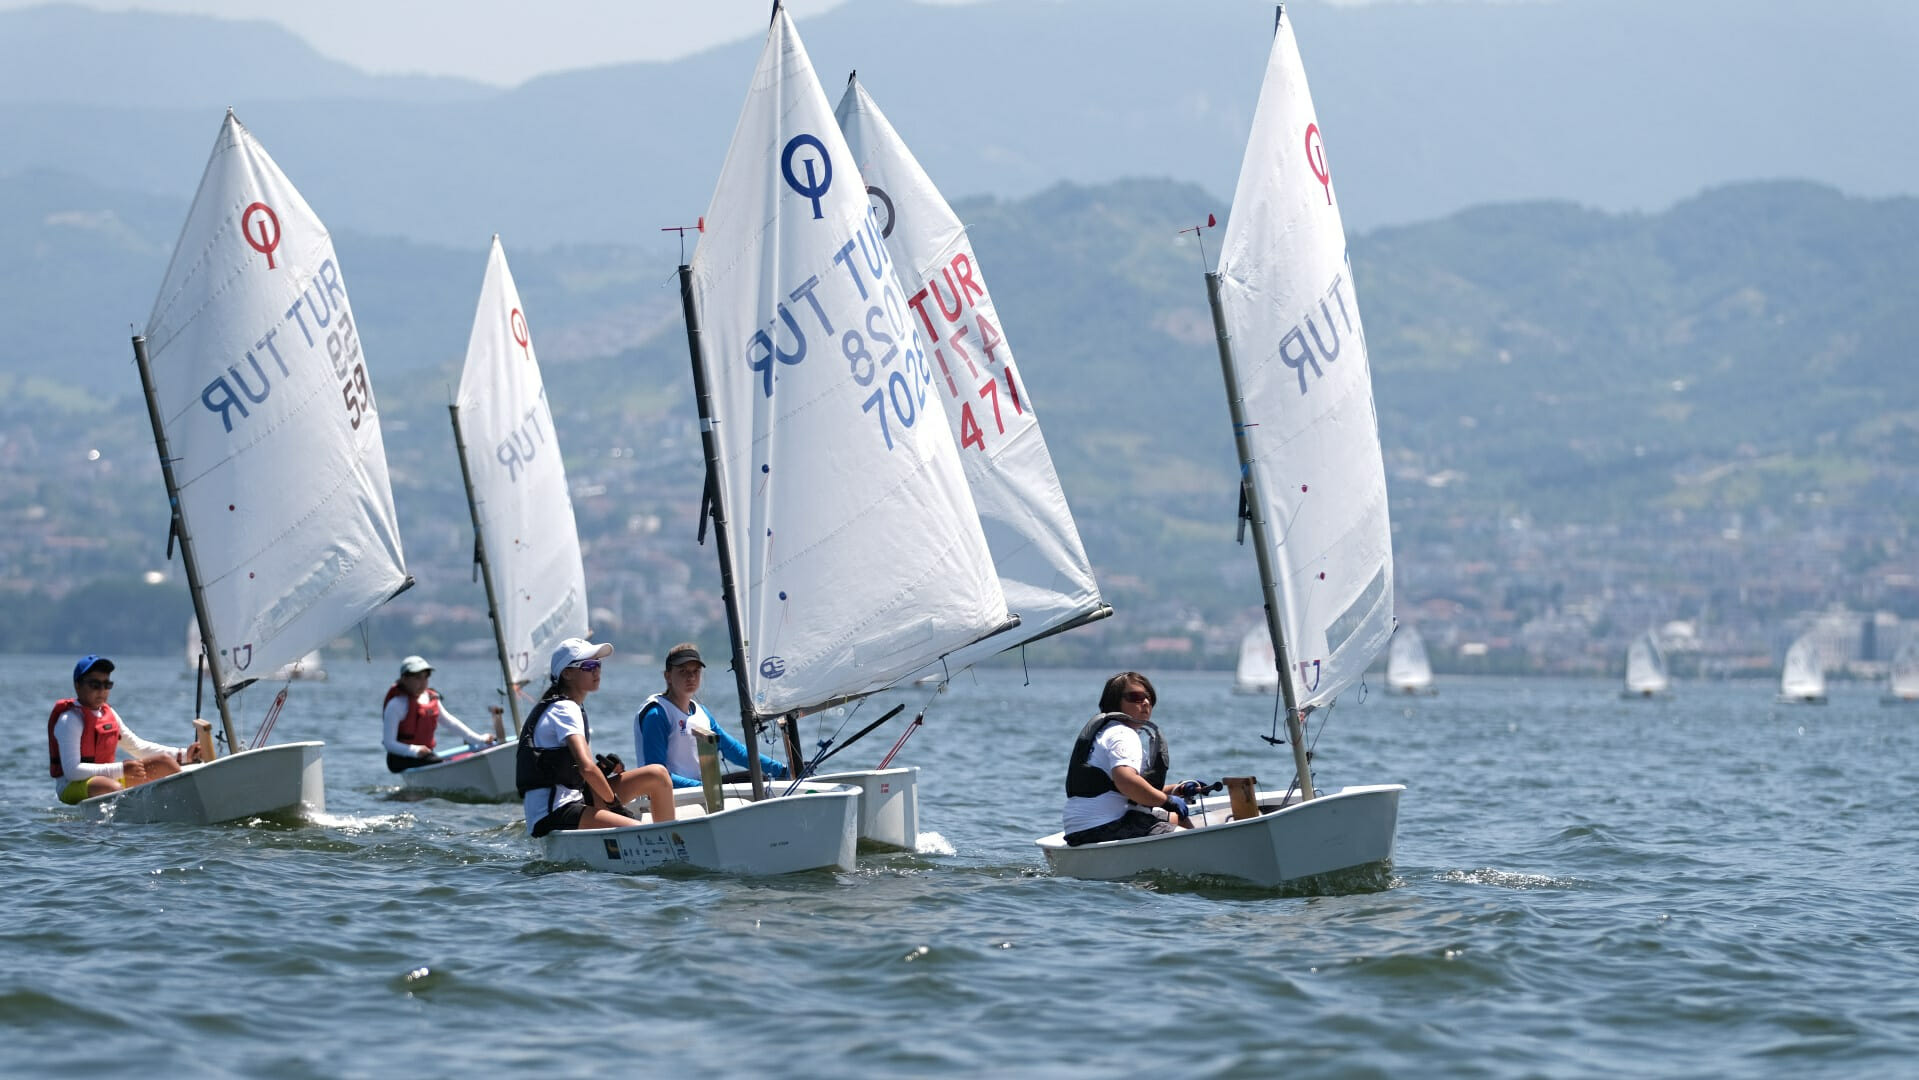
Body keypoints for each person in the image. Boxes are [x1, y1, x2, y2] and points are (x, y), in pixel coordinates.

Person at [519, 638, 676, 838]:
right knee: (642, 832)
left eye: (598, 665)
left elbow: (576, 769)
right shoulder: (565, 709)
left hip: (574, 798)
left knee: (658, 775)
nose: (597, 671)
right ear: (567, 674)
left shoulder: (569, 706)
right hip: (553, 813)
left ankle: (671, 838)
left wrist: (604, 770)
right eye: (589, 665)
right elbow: (586, 768)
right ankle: (666, 841)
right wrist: (615, 805)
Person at [1059, 671, 1204, 846]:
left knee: (1176, 817)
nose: (1145, 702)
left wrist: (1174, 790)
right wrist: (1167, 801)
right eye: (1136, 697)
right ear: (1115, 701)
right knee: (1191, 838)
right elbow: (1126, 782)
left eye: (1149, 697)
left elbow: (1121, 788)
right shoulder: (1123, 734)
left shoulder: (1106, 732)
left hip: (1079, 830)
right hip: (1105, 827)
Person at [48, 655, 201, 805]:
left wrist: (184, 755)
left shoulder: (108, 714)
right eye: (95, 685)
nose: (102, 690)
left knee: (165, 762)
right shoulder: (70, 720)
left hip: (108, 778)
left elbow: (137, 746)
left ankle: (188, 804)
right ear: (78, 685)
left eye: (107, 685)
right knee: (109, 787)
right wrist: (121, 769)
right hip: (71, 786)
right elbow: (72, 771)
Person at [634, 643, 790, 788]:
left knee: (757, 778)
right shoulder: (657, 714)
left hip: (700, 791)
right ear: (668, 676)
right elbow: (656, 774)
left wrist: (783, 770)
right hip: (669, 796)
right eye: (683, 671)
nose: (691, 677)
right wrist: (703, 789)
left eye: (695, 671)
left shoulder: (702, 713)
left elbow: (735, 752)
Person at [381, 655, 497, 773]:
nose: (422, 682)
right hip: (400, 758)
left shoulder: (431, 698)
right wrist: (415, 751)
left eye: (425, 677)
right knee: (437, 762)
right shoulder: (396, 705)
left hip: (425, 755)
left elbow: (450, 723)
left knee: (438, 760)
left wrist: (478, 739)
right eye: (417, 678)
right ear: (404, 679)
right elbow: (389, 744)